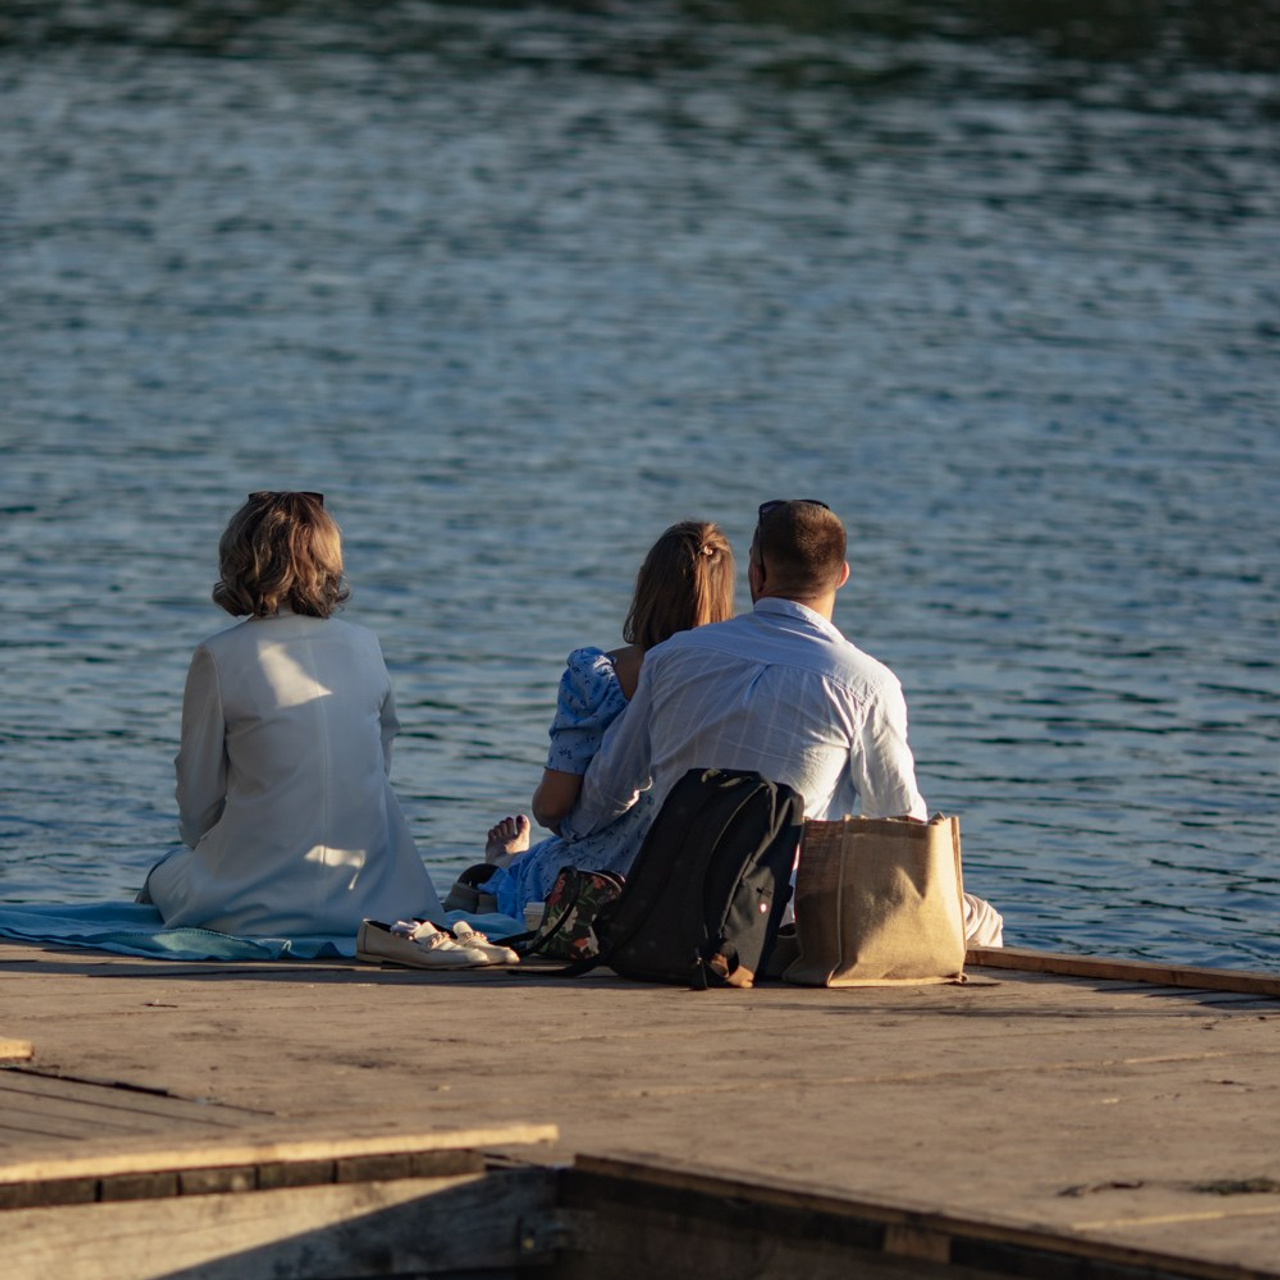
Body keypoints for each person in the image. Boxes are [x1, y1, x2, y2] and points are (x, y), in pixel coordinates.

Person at [557, 499, 1003, 946]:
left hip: (671, 907)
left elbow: (603, 797)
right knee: (983, 919)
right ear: (843, 575)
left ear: (757, 573)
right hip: (790, 921)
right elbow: (905, 833)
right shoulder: (868, 684)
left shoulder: (672, 657)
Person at [138, 491, 442, 935]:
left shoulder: (219, 654)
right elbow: (377, 767)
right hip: (371, 898)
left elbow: (199, 798)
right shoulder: (365, 644)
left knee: (165, 869)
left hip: (249, 904)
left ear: (240, 560)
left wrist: (206, 849)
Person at [478, 520, 735, 919]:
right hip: (687, 878)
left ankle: (503, 866)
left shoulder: (595, 675)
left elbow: (551, 808)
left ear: (644, 583)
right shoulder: (736, 681)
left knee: (524, 871)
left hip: (603, 879)